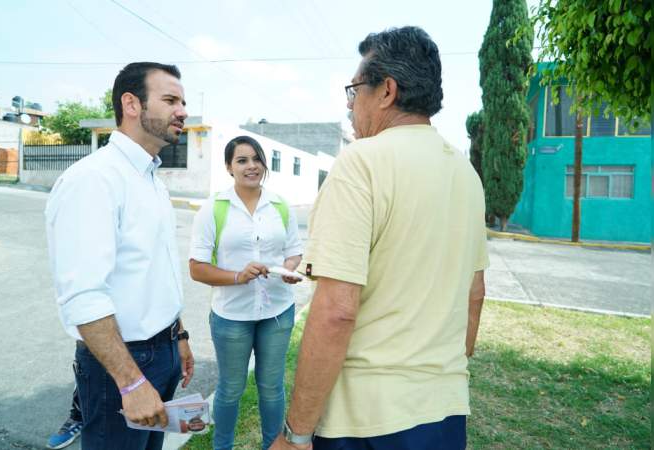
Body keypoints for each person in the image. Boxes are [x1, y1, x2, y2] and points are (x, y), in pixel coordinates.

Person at [270, 26, 489, 450]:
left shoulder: (360, 163)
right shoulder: (466, 174)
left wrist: (296, 434)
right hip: (445, 412)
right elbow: (474, 294)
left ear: (386, 91)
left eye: (354, 92)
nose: (350, 107)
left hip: (367, 421)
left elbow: (336, 311)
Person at [45, 62, 194, 450]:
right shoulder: (94, 180)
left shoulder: (149, 179)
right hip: (123, 365)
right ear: (131, 103)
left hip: (161, 351)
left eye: (183, 101)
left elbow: (152, 271)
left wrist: (178, 334)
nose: (183, 110)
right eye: (170, 100)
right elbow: (83, 296)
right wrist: (131, 381)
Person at [189, 135, 304, 450]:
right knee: (230, 389)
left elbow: (294, 251)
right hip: (232, 316)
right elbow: (197, 268)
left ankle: (272, 446)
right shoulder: (214, 209)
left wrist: (289, 268)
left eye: (256, 159)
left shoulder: (280, 205)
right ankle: (222, 446)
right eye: (242, 160)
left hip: (278, 312)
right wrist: (238, 276)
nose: (251, 166)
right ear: (229, 167)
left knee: (271, 387)